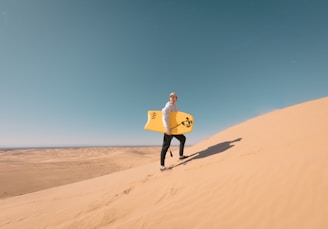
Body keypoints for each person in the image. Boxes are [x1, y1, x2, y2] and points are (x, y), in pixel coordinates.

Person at [160, 92, 188, 171]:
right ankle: (162, 166)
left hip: (174, 129)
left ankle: (181, 156)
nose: (172, 98)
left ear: (176, 98)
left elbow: (176, 118)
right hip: (169, 130)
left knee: (183, 139)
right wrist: (167, 128)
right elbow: (164, 116)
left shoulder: (175, 106)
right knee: (165, 146)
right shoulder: (168, 105)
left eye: (174, 97)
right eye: (171, 97)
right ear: (169, 98)